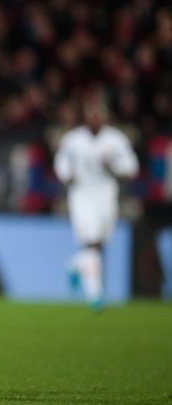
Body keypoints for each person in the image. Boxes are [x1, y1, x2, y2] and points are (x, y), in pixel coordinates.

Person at [53, 100, 139, 312]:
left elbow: (131, 167)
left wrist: (114, 167)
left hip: (106, 195)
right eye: (91, 115)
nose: (94, 119)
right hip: (82, 196)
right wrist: (67, 176)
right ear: (85, 117)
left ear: (104, 117)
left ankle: (76, 264)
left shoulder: (115, 140)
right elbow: (61, 163)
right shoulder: (73, 140)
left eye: (98, 115)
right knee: (90, 243)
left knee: (99, 243)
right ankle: (95, 295)